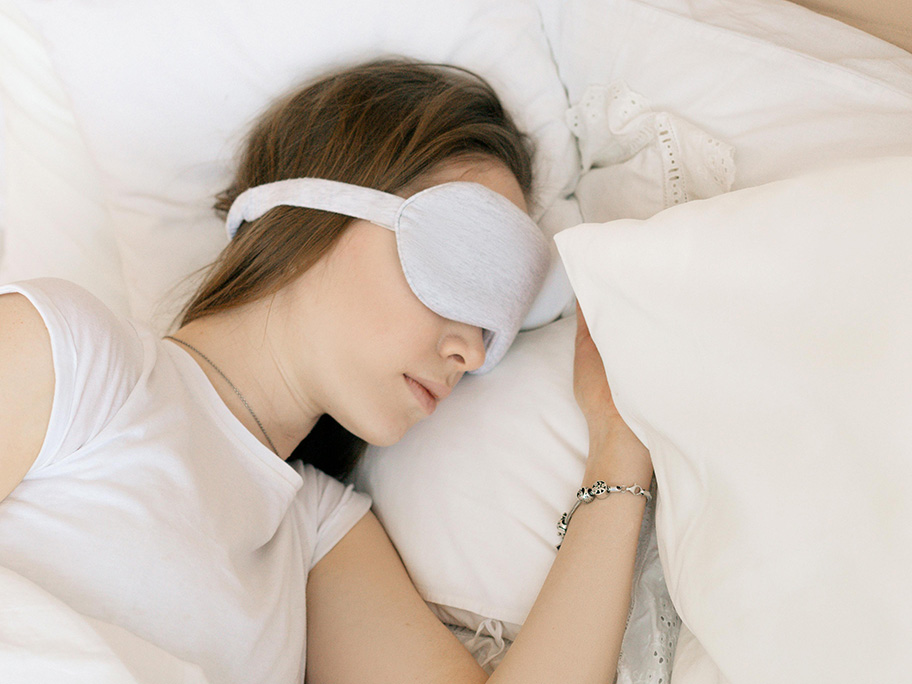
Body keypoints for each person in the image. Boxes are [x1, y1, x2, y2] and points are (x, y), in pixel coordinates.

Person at [0, 58, 654, 683]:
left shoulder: (316, 534)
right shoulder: (75, 358)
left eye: (498, 322)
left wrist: (618, 453)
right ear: (320, 199)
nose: (473, 352)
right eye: (464, 265)